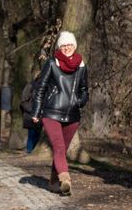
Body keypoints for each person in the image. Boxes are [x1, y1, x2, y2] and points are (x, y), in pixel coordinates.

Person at [31, 31, 89, 195]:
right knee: (58, 146)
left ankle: (53, 182)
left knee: (61, 151)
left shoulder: (82, 66)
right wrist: (36, 111)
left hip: (72, 116)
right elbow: (40, 88)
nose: (67, 47)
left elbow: (85, 90)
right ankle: (65, 178)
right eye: (63, 45)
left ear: (74, 46)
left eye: (70, 44)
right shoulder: (51, 63)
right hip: (52, 113)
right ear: (59, 47)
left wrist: (79, 101)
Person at [20, 71, 42, 153]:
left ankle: (31, 150)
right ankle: (29, 151)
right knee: (32, 134)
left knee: (39, 134)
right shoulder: (30, 86)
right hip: (31, 114)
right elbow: (23, 101)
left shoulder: (47, 87)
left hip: (42, 114)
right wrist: (33, 110)